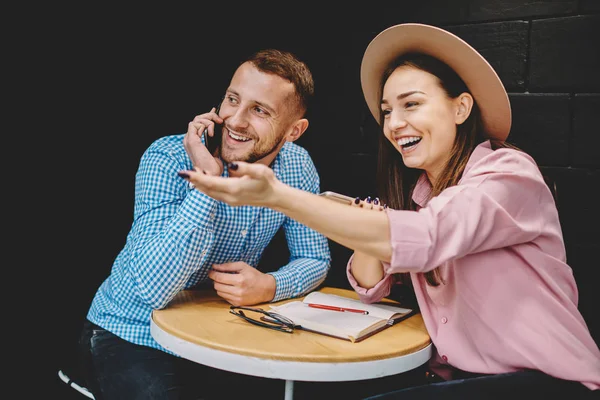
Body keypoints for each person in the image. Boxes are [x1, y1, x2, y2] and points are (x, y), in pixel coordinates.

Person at [181, 24, 600, 399]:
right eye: (386, 111)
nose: (395, 123)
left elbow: (429, 237)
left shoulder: (508, 174)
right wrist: (366, 230)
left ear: (461, 108)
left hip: (549, 382)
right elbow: (372, 287)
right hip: (453, 378)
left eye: (411, 104)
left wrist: (278, 195)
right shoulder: (421, 195)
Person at [77, 48, 331, 399]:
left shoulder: (297, 168)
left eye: (259, 110)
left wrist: (270, 286)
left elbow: (315, 259)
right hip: (130, 331)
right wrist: (206, 184)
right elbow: (154, 290)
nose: (235, 120)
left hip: (215, 336)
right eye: (232, 99)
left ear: (294, 130)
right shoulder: (167, 158)